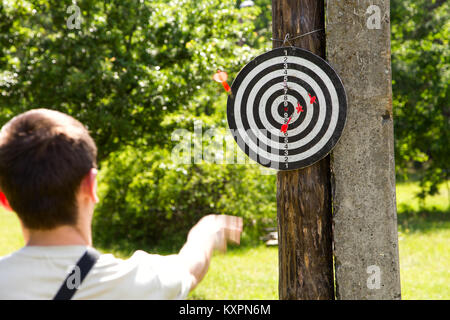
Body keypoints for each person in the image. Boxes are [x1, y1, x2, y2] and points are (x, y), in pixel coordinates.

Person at [0, 109, 243, 300]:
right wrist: (206, 230)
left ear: (4, 199)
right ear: (91, 185)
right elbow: (190, 269)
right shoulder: (132, 282)